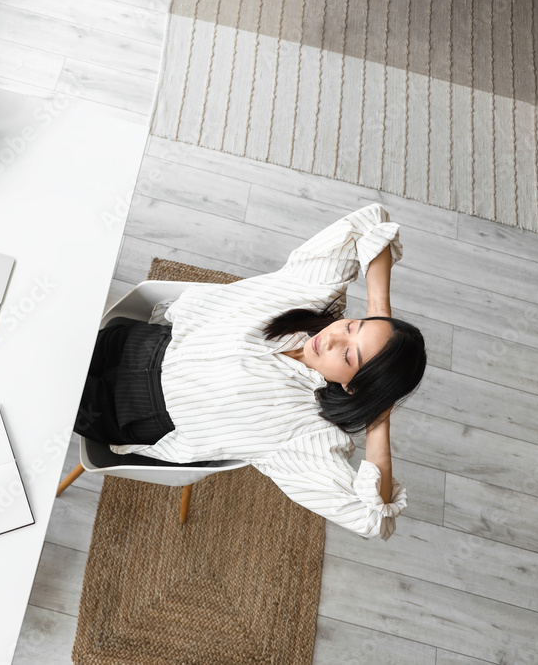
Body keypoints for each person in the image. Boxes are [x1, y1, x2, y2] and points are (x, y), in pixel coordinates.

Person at [74, 204, 426, 540]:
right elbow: (370, 224)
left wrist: (378, 410)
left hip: (124, 409)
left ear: (354, 388)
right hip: (138, 343)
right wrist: (380, 315)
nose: (332, 338)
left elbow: (372, 514)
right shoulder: (311, 296)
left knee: (36, 388)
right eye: (352, 326)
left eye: (349, 357)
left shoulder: (307, 435)